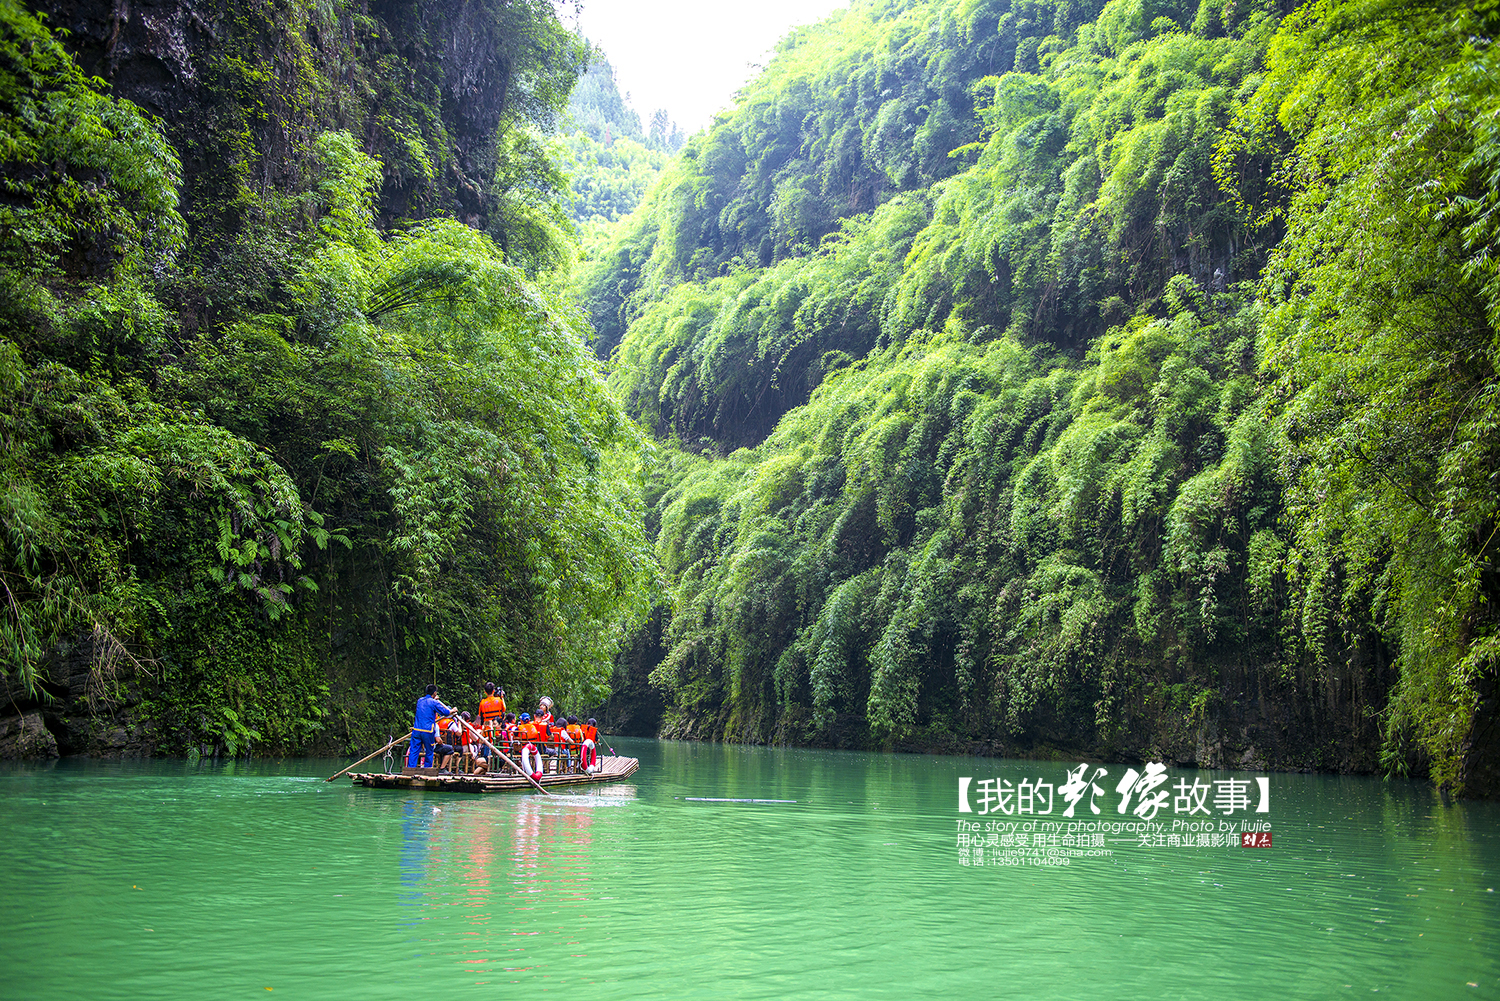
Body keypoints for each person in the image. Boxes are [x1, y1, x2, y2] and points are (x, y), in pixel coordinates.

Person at [408, 684, 456, 768]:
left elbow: (428, 705)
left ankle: (410, 769)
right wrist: (453, 710)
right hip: (427, 731)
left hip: (417, 730)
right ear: (434, 693)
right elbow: (445, 712)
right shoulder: (434, 702)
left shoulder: (420, 700)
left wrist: (434, 700)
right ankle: (427, 770)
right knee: (429, 751)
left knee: (414, 751)